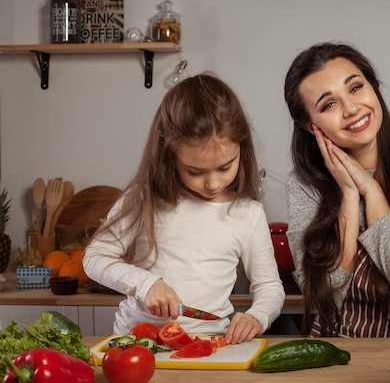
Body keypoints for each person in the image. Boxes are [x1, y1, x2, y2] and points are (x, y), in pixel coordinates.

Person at [83, 73, 285, 344]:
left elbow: (269, 286)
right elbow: (95, 258)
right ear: (169, 156)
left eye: (225, 167)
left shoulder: (248, 214)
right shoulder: (145, 197)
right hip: (138, 343)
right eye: (195, 171)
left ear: (242, 148)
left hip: (211, 344)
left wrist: (257, 316)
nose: (213, 183)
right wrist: (147, 285)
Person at [283, 42, 390, 337]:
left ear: (374, 88)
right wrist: (349, 196)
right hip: (332, 354)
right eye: (329, 104)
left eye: (356, 88)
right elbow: (326, 296)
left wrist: (371, 190)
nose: (351, 108)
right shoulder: (304, 184)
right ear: (312, 127)